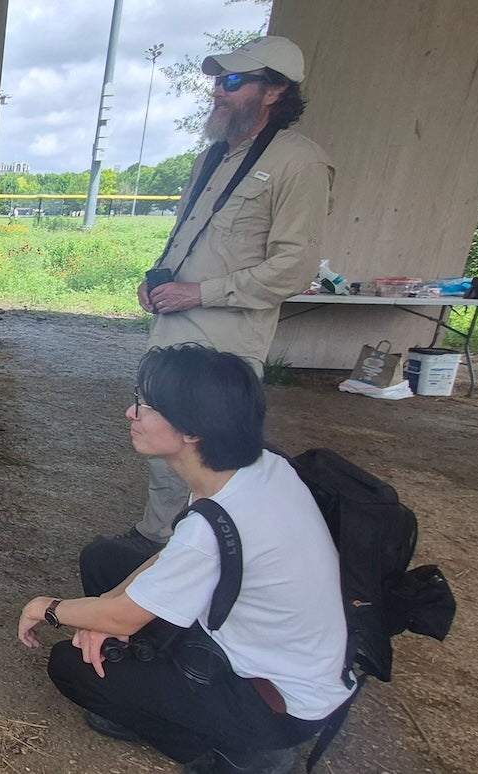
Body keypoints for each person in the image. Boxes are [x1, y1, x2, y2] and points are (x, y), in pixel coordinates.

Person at [18, 345, 353, 774]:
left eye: (146, 405)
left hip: (275, 702)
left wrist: (47, 608)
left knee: (70, 666)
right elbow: (173, 555)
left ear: (193, 429)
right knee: (103, 561)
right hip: (276, 650)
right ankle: (146, 674)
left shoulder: (215, 524)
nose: (130, 412)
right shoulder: (255, 467)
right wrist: (104, 607)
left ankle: (245, 754)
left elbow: (137, 601)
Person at [126, 35, 334, 555]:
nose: (219, 90)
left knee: (211, 458)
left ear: (275, 91)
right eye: (218, 80)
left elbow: (293, 267)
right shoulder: (212, 158)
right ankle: (156, 539)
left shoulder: (299, 163)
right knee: (159, 442)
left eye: (234, 80)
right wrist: (158, 279)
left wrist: (201, 292)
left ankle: (203, 555)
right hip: (171, 333)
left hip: (225, 344)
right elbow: (189, 238)